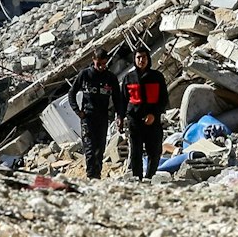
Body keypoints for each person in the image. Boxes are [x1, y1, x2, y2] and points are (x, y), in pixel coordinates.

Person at [67, 52, 124, 179]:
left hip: (102, 118)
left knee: (100, 149)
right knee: (90, 149)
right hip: (87, 118)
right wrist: (78, 111)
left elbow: (117, 99)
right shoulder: (85, 75)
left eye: (104, 64)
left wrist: (119, 116)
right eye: (99, 64)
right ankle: (91, 176)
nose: (101, 67)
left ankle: (97, 176)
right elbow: (71, 93)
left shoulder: (110, 78)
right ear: (93, 60)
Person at [119, 49, 169, 179]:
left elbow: (163, 99)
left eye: (144, 57)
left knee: (155, 151)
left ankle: (150, 177)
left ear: (148, 59)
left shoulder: (157, 77)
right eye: (138, 57)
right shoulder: (128, 78)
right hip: (134, 121)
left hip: (153, 120)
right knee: (136, 152)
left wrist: (154, 114)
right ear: (134, 60)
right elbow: (123, 100)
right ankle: (138, 179)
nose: (141, 60)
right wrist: (120, 117)